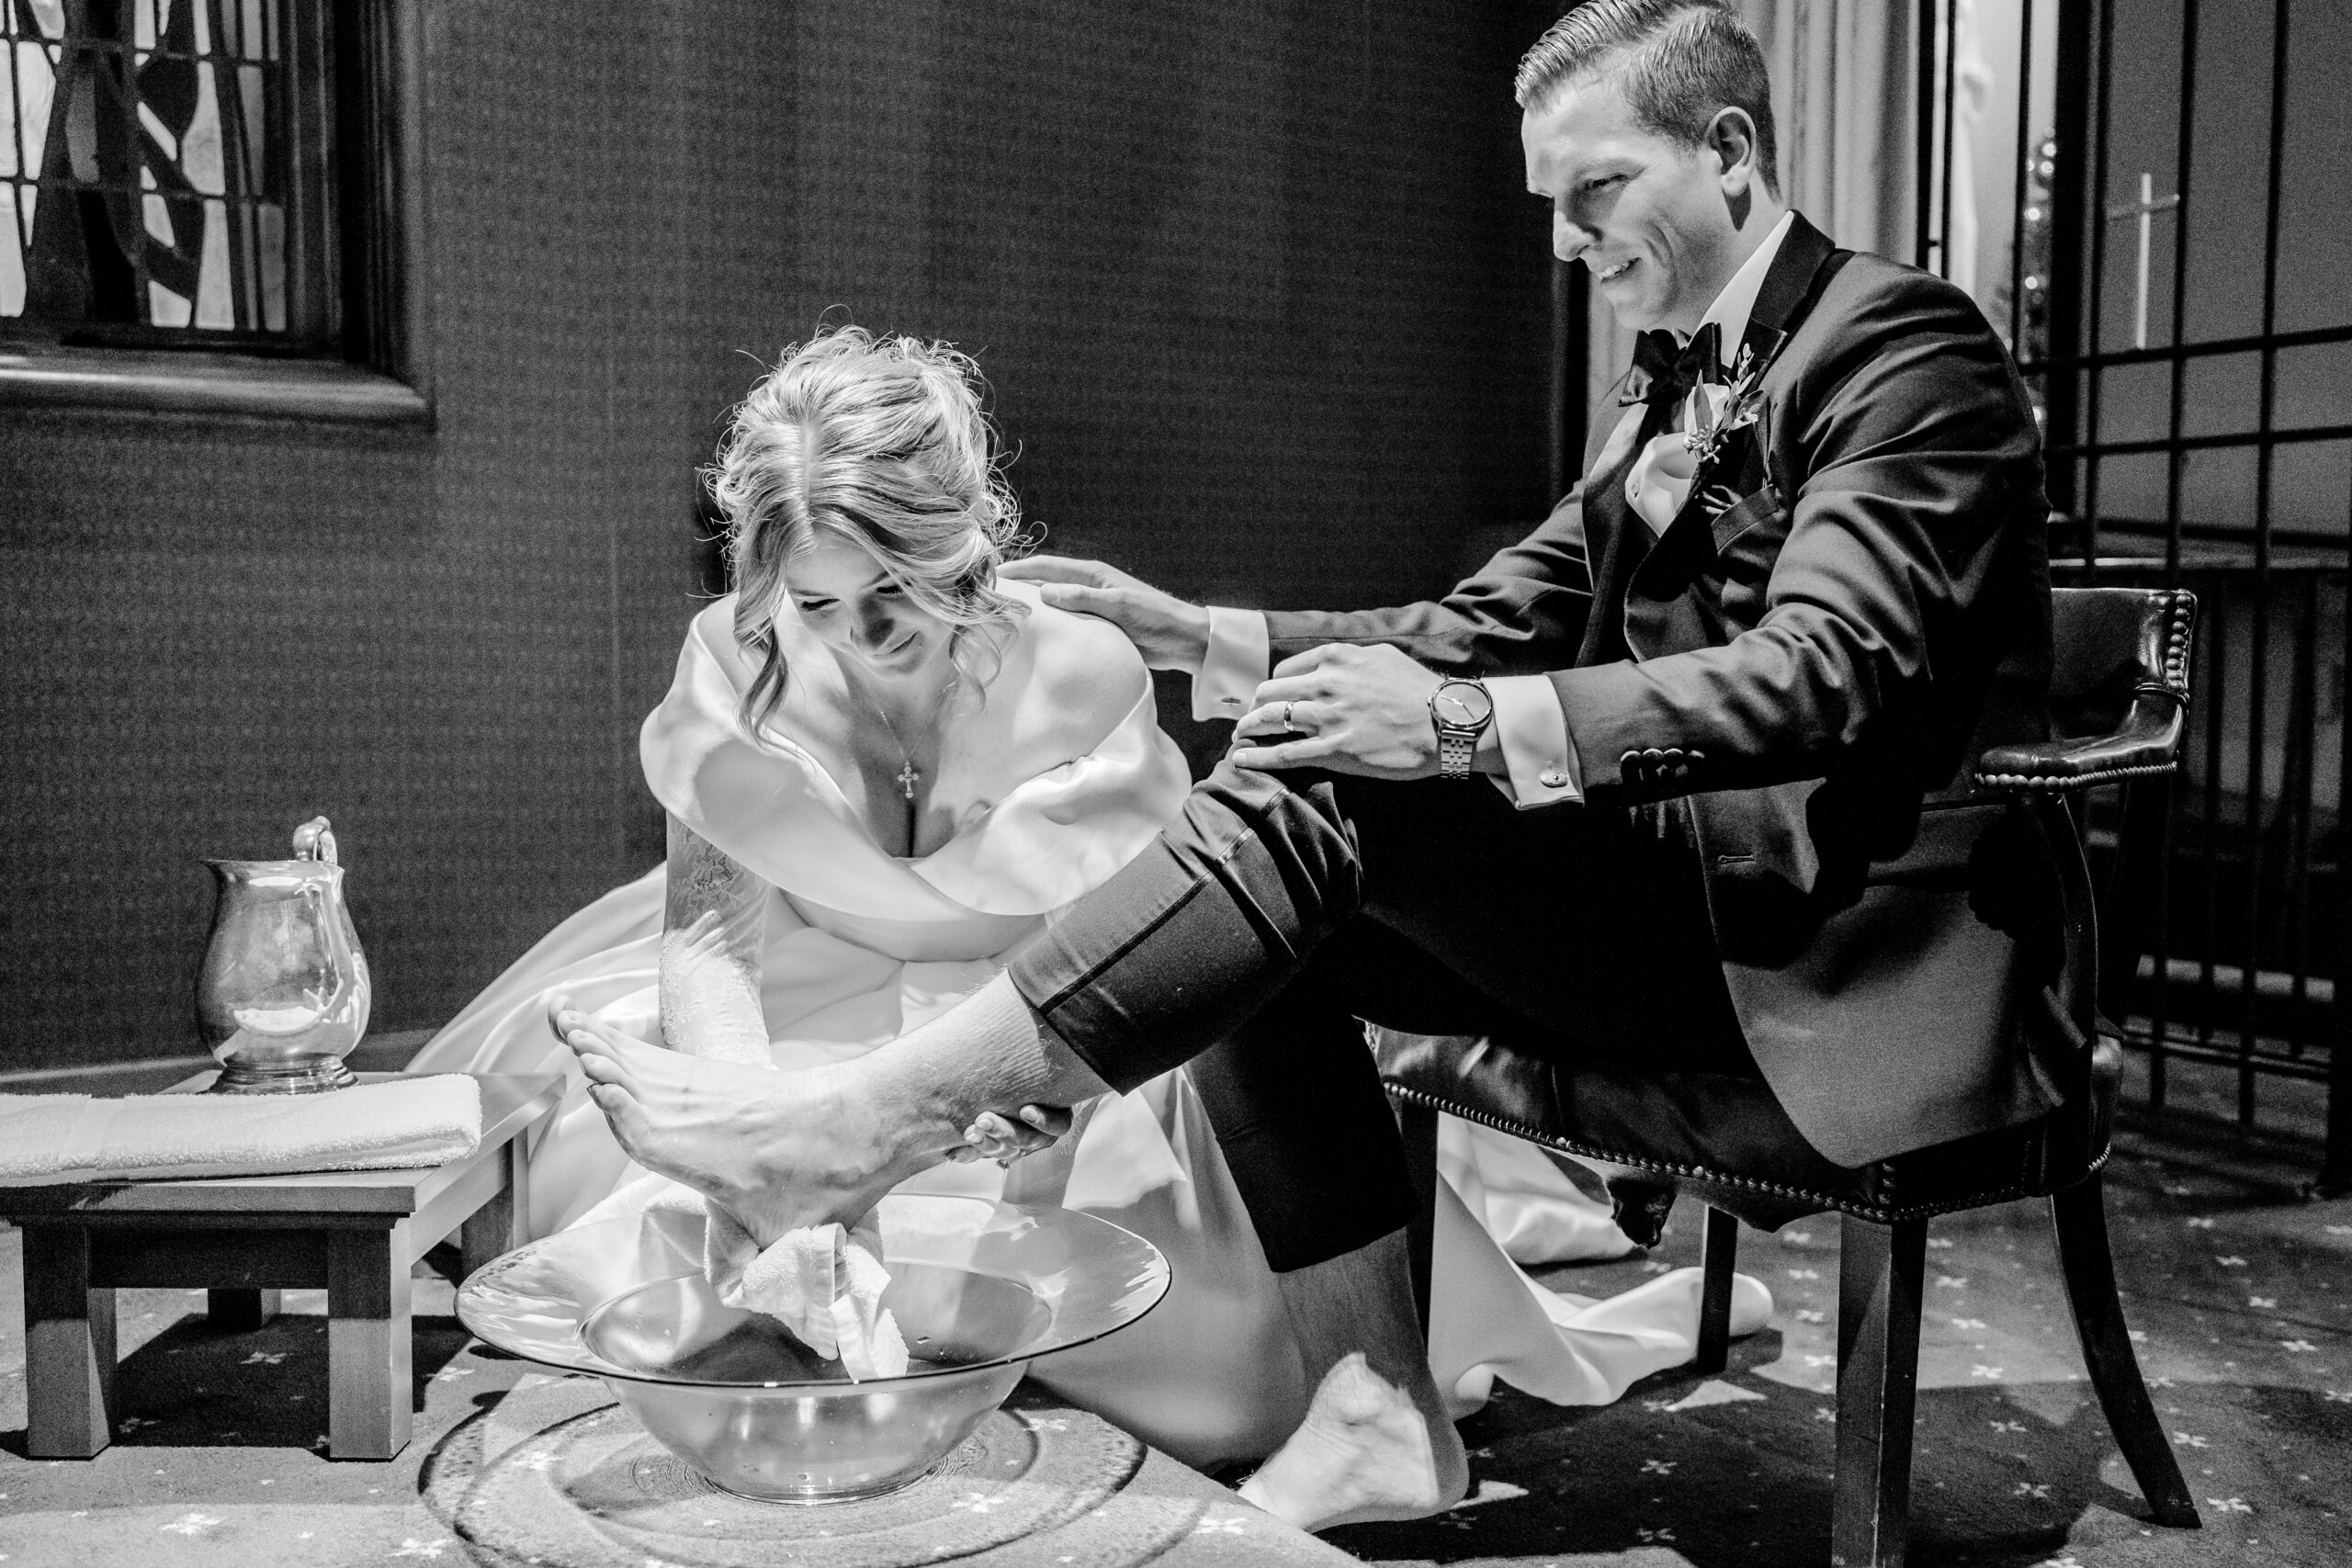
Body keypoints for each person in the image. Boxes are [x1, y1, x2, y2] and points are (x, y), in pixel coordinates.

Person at [558, 0, 2065, 1530]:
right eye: (1547, 205)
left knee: (1348, 784)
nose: (1562, 241)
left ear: (1730, 150)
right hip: (1684, 917)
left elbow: (1826, 672)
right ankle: (1375, 1412)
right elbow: (1485, 623)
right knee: (1299, 816)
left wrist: (1460, 731)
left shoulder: (1901, 344)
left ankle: (878, 1119)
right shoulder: (1669, 390)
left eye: (1592, 193)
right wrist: (1197, 634)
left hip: (1832, 953)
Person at [418, 324, 1770, 1508]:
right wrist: (745, 1124)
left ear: (968, 539)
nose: (860, 633)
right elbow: (709, 938)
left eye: (900, 588)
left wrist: (1036, 1096)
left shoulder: (1083, 669)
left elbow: (1136, 952)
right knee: (661, 1240)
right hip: (795, 1005)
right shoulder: (738, 657)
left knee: (1219, 1359)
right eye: (819, 601)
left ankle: (1342, 1384)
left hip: (1037, 1018)